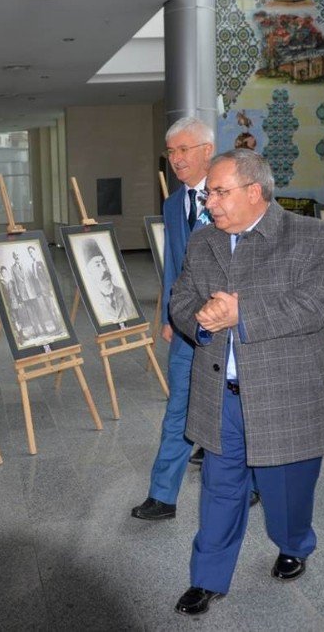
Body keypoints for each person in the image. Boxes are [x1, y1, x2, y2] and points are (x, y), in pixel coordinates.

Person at [170, 149, 324, 615]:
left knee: (287, 492)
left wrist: (239, 313)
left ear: (255, 191)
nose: (210, 203)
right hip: (220, 395)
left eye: (220, 192)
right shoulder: (203, 241)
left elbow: (313, 306)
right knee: (221, 489)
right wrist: (201, 320)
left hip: (283, 397)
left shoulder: (314, 238)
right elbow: (181, 296)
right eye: (208, 194)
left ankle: (294, 543)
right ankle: (207, 578)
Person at [131, 117, 215, 522]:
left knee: (237, 407)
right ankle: (162, 495)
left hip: (227, 324)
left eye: (184, 150)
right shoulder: (172, 203)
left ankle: (250, 483)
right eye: (171, 152)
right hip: (186, 326)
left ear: (207, 151)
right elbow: (173, 267)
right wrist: (167, 314)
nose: (176, 160)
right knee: (178, 406)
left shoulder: (230, 195)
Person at [79, 238, 134, 324]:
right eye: (97, 265)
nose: (104, 269)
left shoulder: (124, 293)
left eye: (104, 262)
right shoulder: (92, 301)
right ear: (89, 272)